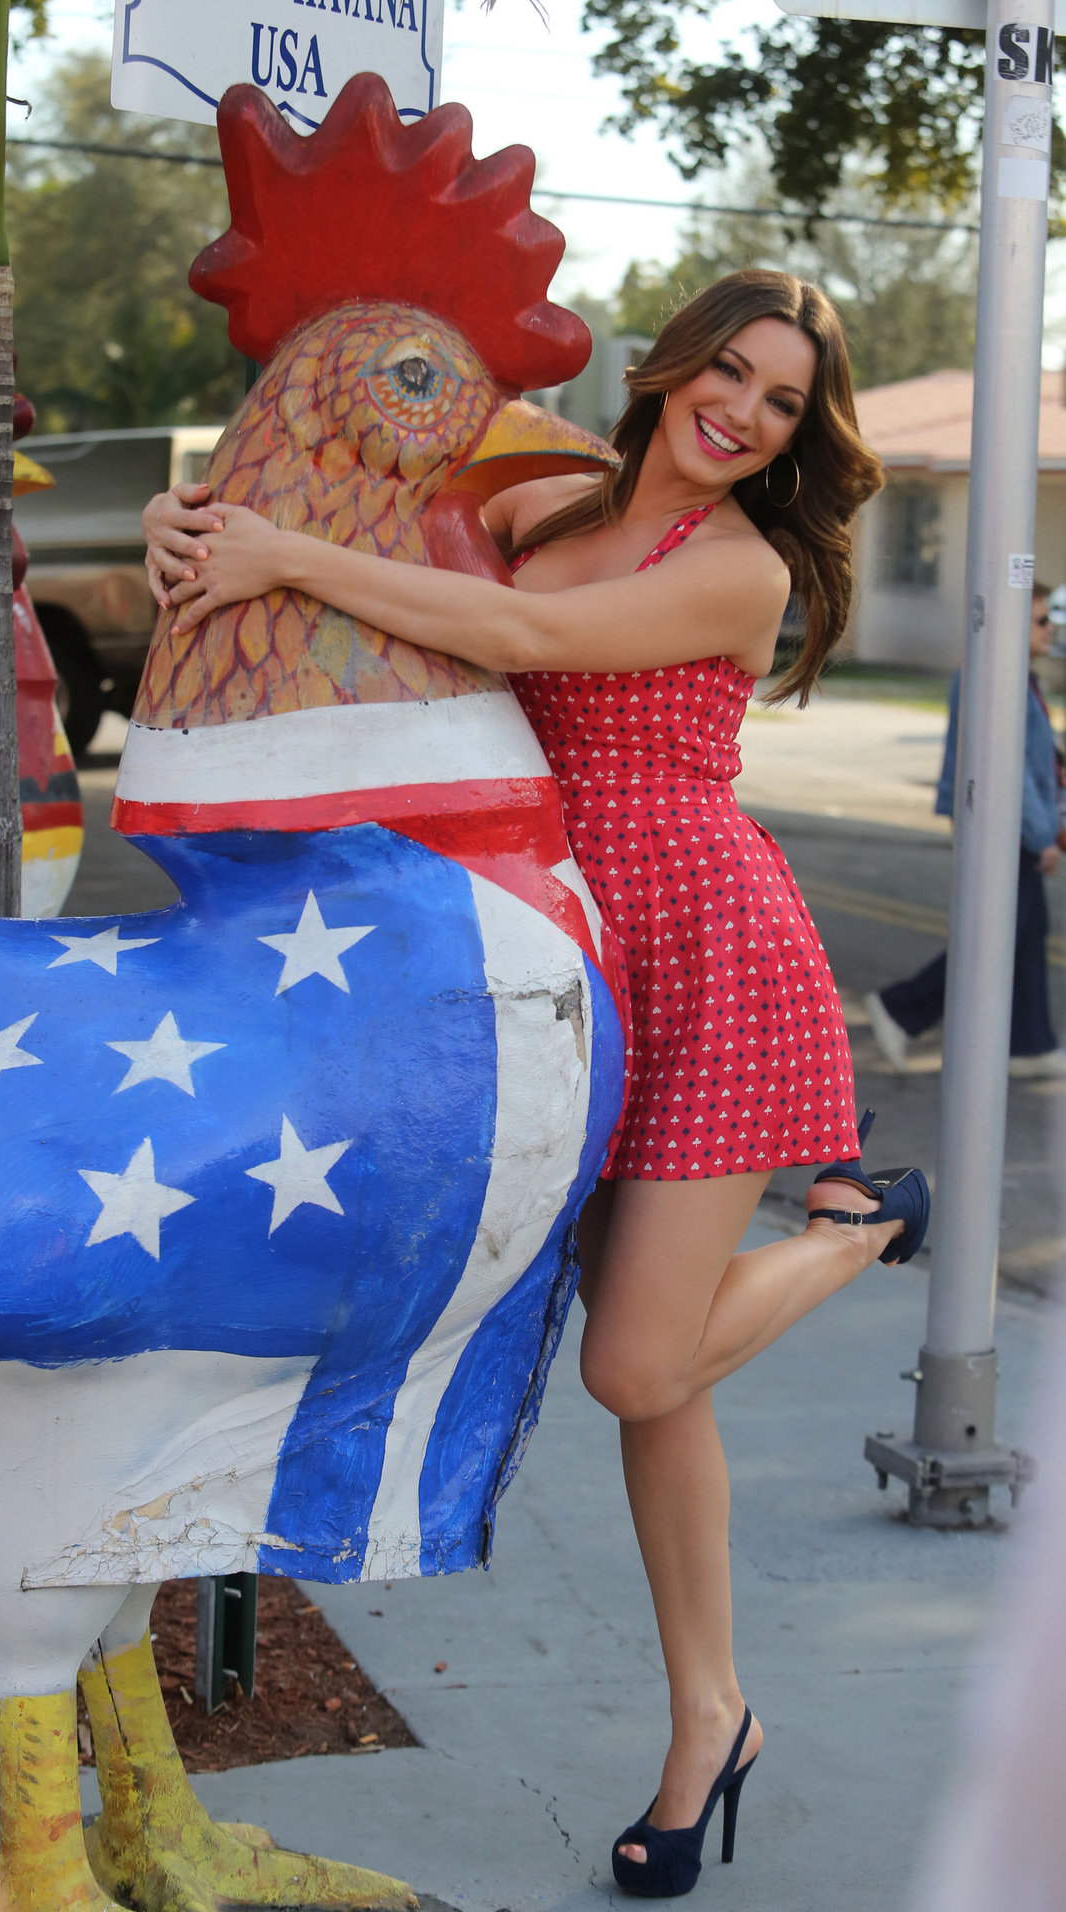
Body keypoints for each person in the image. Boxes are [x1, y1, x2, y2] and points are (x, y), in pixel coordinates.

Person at [141, 270, 931, 1899]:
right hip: (553, 960)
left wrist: (281, 554)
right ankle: (709, 1713)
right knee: (669, 1392)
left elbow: (509, 637)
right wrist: (191, 522)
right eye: (734, 371)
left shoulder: (735, 566)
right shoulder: (555, 492)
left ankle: (858, 1230)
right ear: (678, 361)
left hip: (700, 948)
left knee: (635, 1366)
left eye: (783, 403)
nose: (746, 413)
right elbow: (363, 523)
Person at [866, 579, 1066, 1078]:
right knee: (994, 935)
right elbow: (1010, 771)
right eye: (1042, 620)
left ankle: (1029, 1043)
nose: (1051, 629)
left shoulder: (1016, 677)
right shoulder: (996, 678)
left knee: (1025, 929)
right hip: (1003, 827)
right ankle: (900, 1009)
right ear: (1015, 624)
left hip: (1011, 823)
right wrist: (1043, 836)